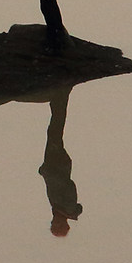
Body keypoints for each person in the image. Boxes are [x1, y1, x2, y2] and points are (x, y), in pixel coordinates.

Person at [39, 84, 84, 236]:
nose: (53, 221)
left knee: (54, 133)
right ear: (62, 224)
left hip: (55, 166)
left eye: (52, 224)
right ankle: (60, 99)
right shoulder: (66, 206)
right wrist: (47, 173)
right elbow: (66, 185)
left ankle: (59, 99)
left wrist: (46, 173)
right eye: (55, 225)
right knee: (54, 133)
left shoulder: (61, 207)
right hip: (56, 165)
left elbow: (61, 186)